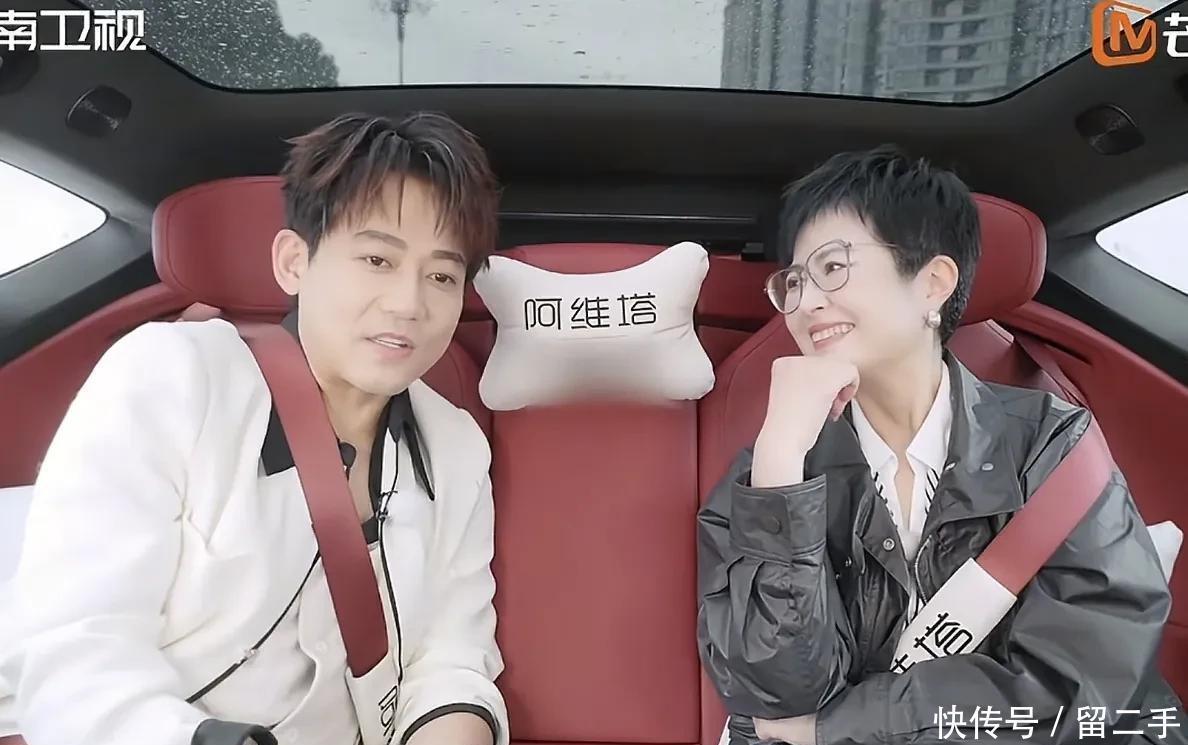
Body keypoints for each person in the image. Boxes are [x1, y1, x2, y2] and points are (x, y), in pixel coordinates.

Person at [1, 112, 507, 745]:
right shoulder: (171, 378)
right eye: (378, 259)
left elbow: (452, 660)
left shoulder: (456, 447)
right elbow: (75, 651)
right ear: (295, 262)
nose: (409, 303)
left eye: (441, 276)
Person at [696, 146, 1185, 745]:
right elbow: (774, 699)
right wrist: (779, 469)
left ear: (932, 284)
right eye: (794, 281)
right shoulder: (768, 477)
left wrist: (842, 725)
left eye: (833, 267)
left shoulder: (1055, 448)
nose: (806, 302)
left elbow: (1077, 691)